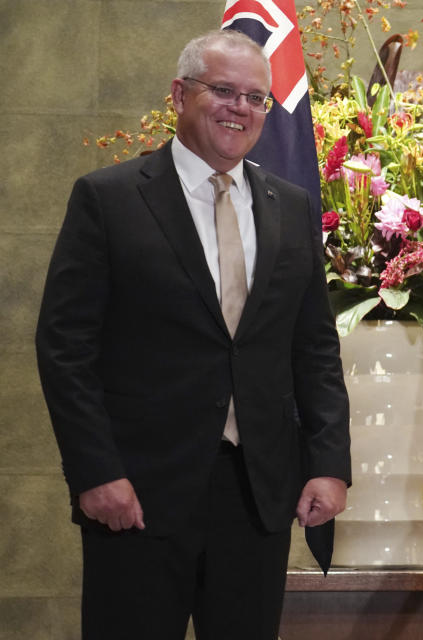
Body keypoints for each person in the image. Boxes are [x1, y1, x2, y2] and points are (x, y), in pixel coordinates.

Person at [35, 29, 350, 640]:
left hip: (258, 495)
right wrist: (95, 471)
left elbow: (314, 349)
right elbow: (65, 350)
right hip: (137, 494)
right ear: (179, 95)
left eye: (257, 97)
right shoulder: (109, 198)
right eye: (223, 90)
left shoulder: (291, 205)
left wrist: (329, 463)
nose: (241, 108)